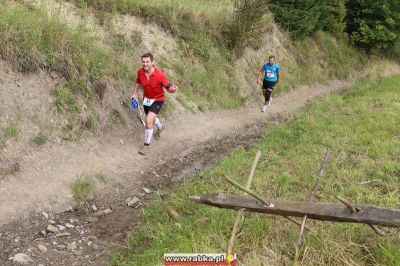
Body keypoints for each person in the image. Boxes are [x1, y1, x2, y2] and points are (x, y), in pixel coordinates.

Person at [131, 53, 178, 155]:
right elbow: (138, 82)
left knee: (148, 120)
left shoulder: (160, 74)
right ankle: (161, 127)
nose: (145, 64)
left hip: (158, 100)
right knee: (150, 118)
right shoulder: (140, 72)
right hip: (147, 100)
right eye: (143, 62)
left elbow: (169, 87)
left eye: (147, 62)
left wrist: (173, 90)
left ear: (152, 62)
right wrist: (134, 93)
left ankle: (146, 147)